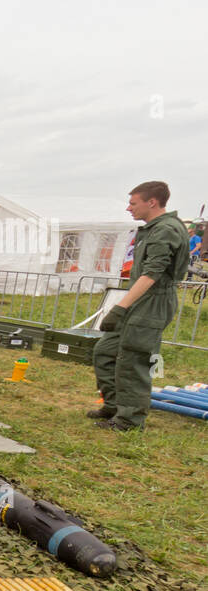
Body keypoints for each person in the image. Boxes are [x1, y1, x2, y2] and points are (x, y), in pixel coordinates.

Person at [90, 181, 191, 432]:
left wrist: (120, 307)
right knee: (105, 351)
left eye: (133, 203)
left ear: (152, 202)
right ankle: (114, 406)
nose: (128, 208)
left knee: (133, 359)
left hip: (153, 301)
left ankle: (130, 420)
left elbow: (153, 274)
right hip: (140, 299)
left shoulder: (166, 230)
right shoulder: (154, 228)